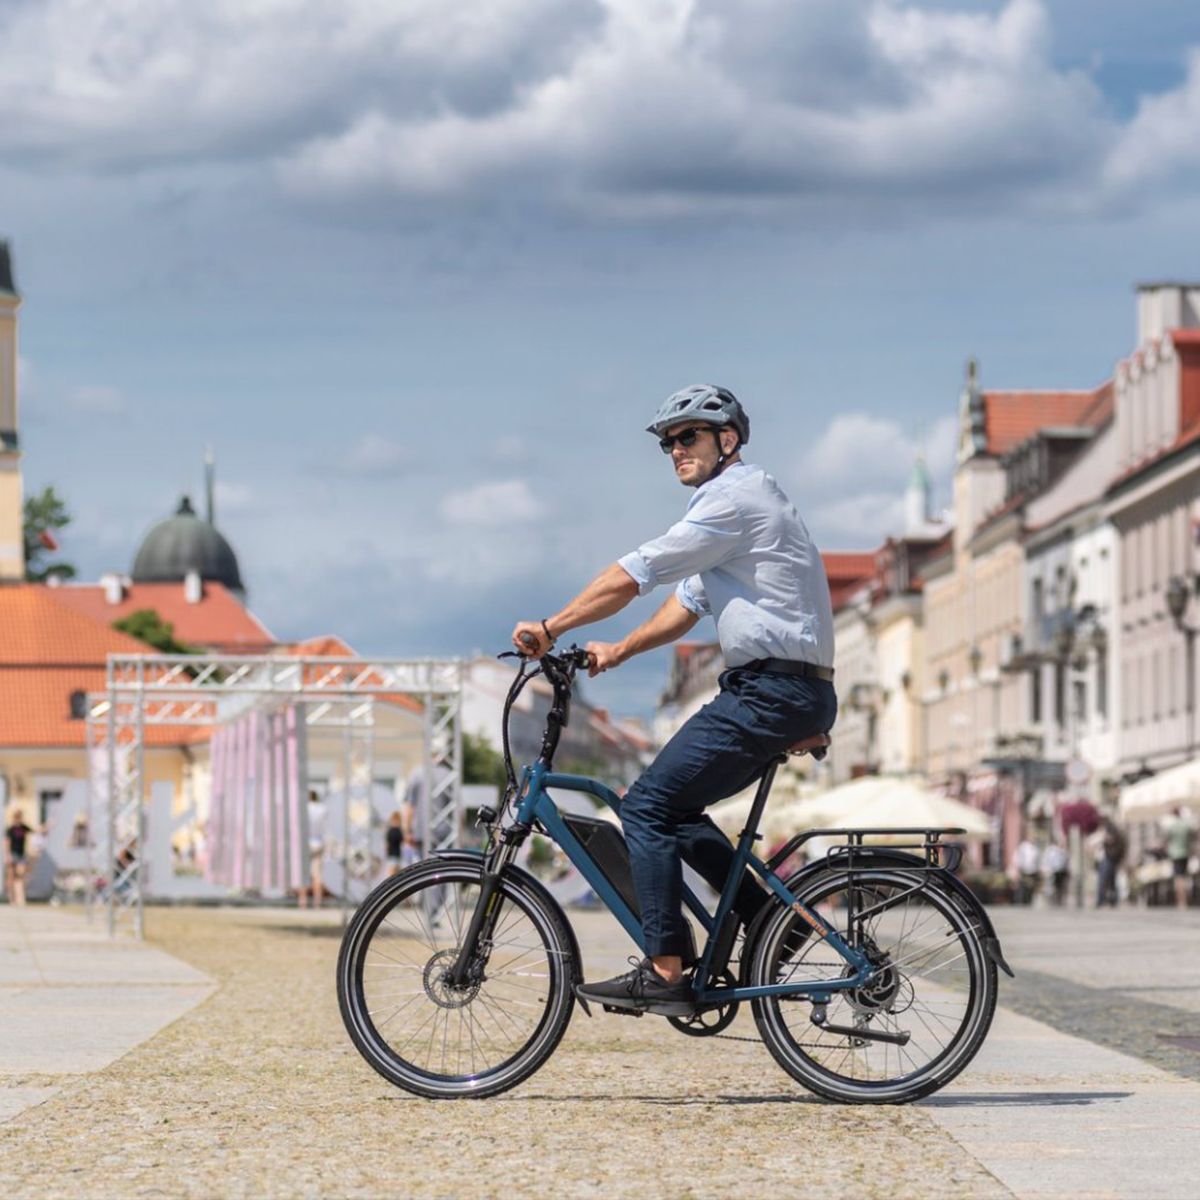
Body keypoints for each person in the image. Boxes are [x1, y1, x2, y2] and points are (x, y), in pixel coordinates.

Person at [512, 385, 836, 1015]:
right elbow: (685, 603)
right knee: (675, 808)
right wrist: (618, 651)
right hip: (779, 689)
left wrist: (553, 627)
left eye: (688, 436)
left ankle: (667, 970)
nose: (676, 450)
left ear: (728, 441)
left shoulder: (732, 500)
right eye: (668, 442)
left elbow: (636, 573)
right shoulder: (737, 511)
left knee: (647, 808)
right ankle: (771, 919)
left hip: (772, 690)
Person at [1161, 805, 1195, 910]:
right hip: (1186, 853)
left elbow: (1165, 839)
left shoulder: (1172, 826)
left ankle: (1181, 901)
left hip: (1175, 854)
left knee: (1178, 878)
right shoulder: (1186, 825)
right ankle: (1186, 900)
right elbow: (1193, 836)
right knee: (1184, 876)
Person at [300, 789, 328, 908]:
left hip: (305, 843)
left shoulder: (302, 809)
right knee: (317, 874)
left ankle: (303, 902)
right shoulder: (323, 809)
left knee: (303, 875)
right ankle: (317, 902)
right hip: (318, 843)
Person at [1090, 816, 1126, 908]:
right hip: (1110, 858)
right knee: (1111, 880)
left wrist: (1104, 839)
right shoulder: (1112, 830)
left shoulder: (1110, 829)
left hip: (1108, 858)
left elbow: (1111, 840)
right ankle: (1112, 900)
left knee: (1103, 880)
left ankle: (1101, 900)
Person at [5, 810, 33, 907]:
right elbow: (7, 842)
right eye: (17, 817)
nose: (19, 819)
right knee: (11, 877)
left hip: (21, 854)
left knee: (21, 875)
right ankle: (11, 899)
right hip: (13, 854)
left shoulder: (24, 828)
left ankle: (20, 898)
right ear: (14, 818)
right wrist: (7, 855)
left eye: (20, 817)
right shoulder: (10, 829)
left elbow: (36, 830)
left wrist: (49, 825)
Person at [1012, 837, 1041, 905]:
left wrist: (1038, 869)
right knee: (1023, 886)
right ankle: (1021, 902)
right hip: (1024, 870)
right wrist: (1017, 868)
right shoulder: (1023, 847)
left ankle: (1028, 901)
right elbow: (1018, 858)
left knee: (1031, 886)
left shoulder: (1035, 849)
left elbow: (1037, 860)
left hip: (1033, 870)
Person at [1041, 839, 1069, 907]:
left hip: (1061, 871)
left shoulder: (1064, 852)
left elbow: (1066, 863)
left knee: (1060, 887)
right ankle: (1051, 902)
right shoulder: (1051, 851)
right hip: (1052, 871)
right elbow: (1046, 860)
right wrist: (1045, 870)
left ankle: (1059, 901)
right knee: (1051, 887)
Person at [385, 811, 405, 877]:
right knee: (394, 871)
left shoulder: (393, 831)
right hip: (393, 854)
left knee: (395, 871)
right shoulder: (395, 831)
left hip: (395, 854)